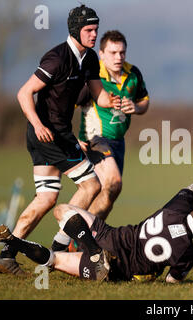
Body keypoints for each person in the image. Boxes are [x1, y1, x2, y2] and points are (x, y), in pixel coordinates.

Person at [0, 5, 122, 276]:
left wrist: (115, 101)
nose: (94, 34)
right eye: (89, 29)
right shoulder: (56, 58)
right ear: (75, 30)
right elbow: (24, 93)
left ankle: (7, 254)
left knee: (46, 197)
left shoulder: (87, 60)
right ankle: (59, 249)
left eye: (96, 29)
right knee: (91, 185)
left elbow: (99, 96)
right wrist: (38, 125)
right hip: (50, 135)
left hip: (53, 135)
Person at [0, 186, 193, 283]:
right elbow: (172, 282)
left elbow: (190, 188)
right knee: (54, 261)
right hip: (118, 268)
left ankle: (92, 248)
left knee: (62, 210)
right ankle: (14, 241)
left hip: (111, 237)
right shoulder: (187, 252)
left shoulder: (176, 209)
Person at [77, 30, 149, 220]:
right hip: (95, 138)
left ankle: (84, 238)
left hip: (118, 142)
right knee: (113, 182)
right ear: (101, 54)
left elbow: (145, 102)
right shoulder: (92, 76)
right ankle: (73, 234)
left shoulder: (133, 73)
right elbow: (68, 105)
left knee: (109, 194)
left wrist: (135, 107)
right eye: (113, 53)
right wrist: (71, 136)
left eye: (122, 52)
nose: (118, 57)